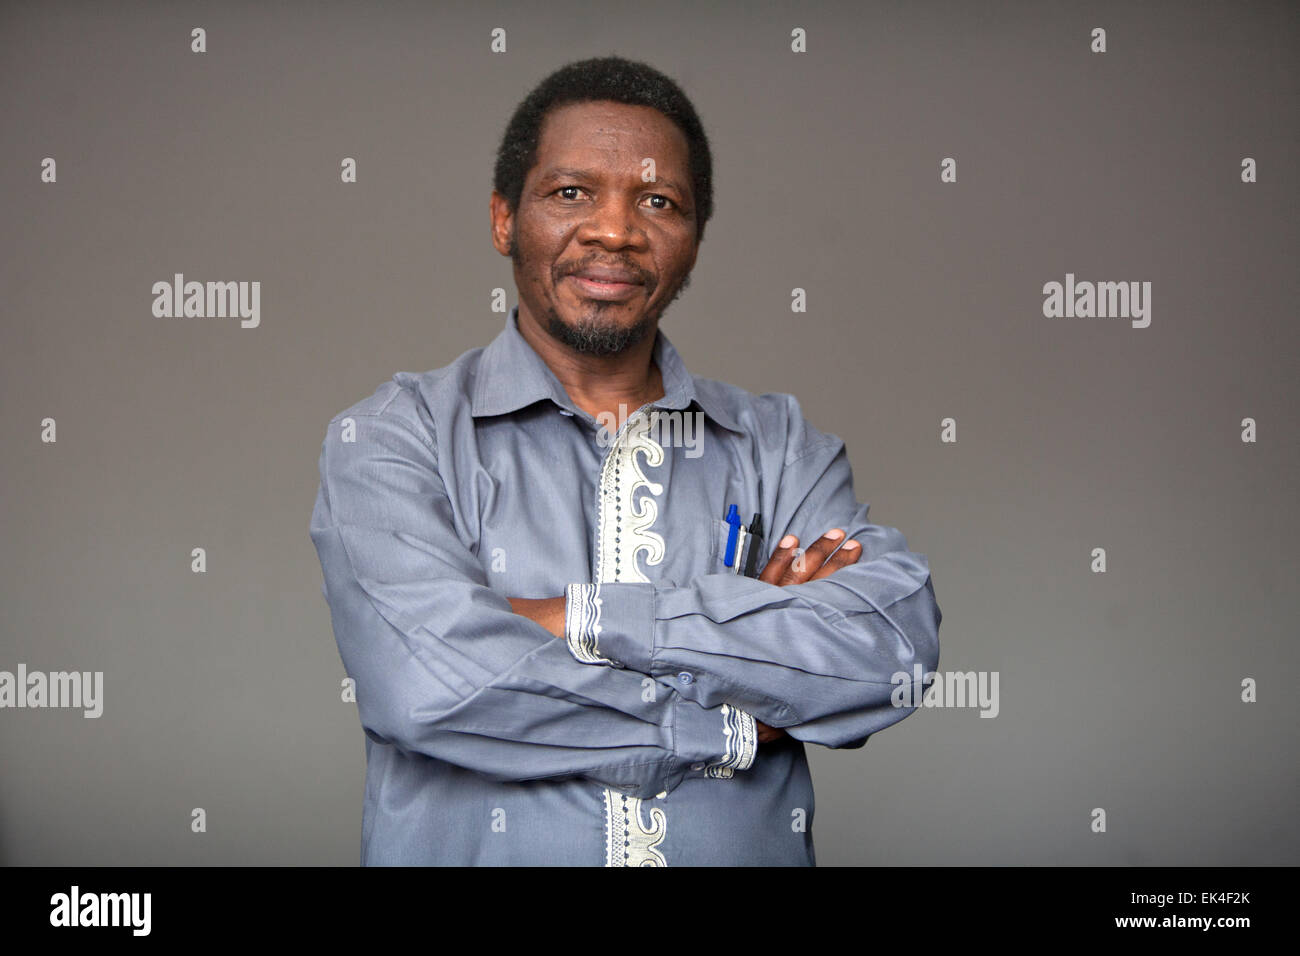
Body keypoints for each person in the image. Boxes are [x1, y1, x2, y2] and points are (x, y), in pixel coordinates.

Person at [309, 55, 941, 866]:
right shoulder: (397, 435)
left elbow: (889, 648)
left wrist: (581, 617)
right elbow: (433, 688)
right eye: (571, 193)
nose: (615, 229)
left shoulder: (777, 444)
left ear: (695, 239)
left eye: (657, 201)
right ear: (504, 219)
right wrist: (734, 703)